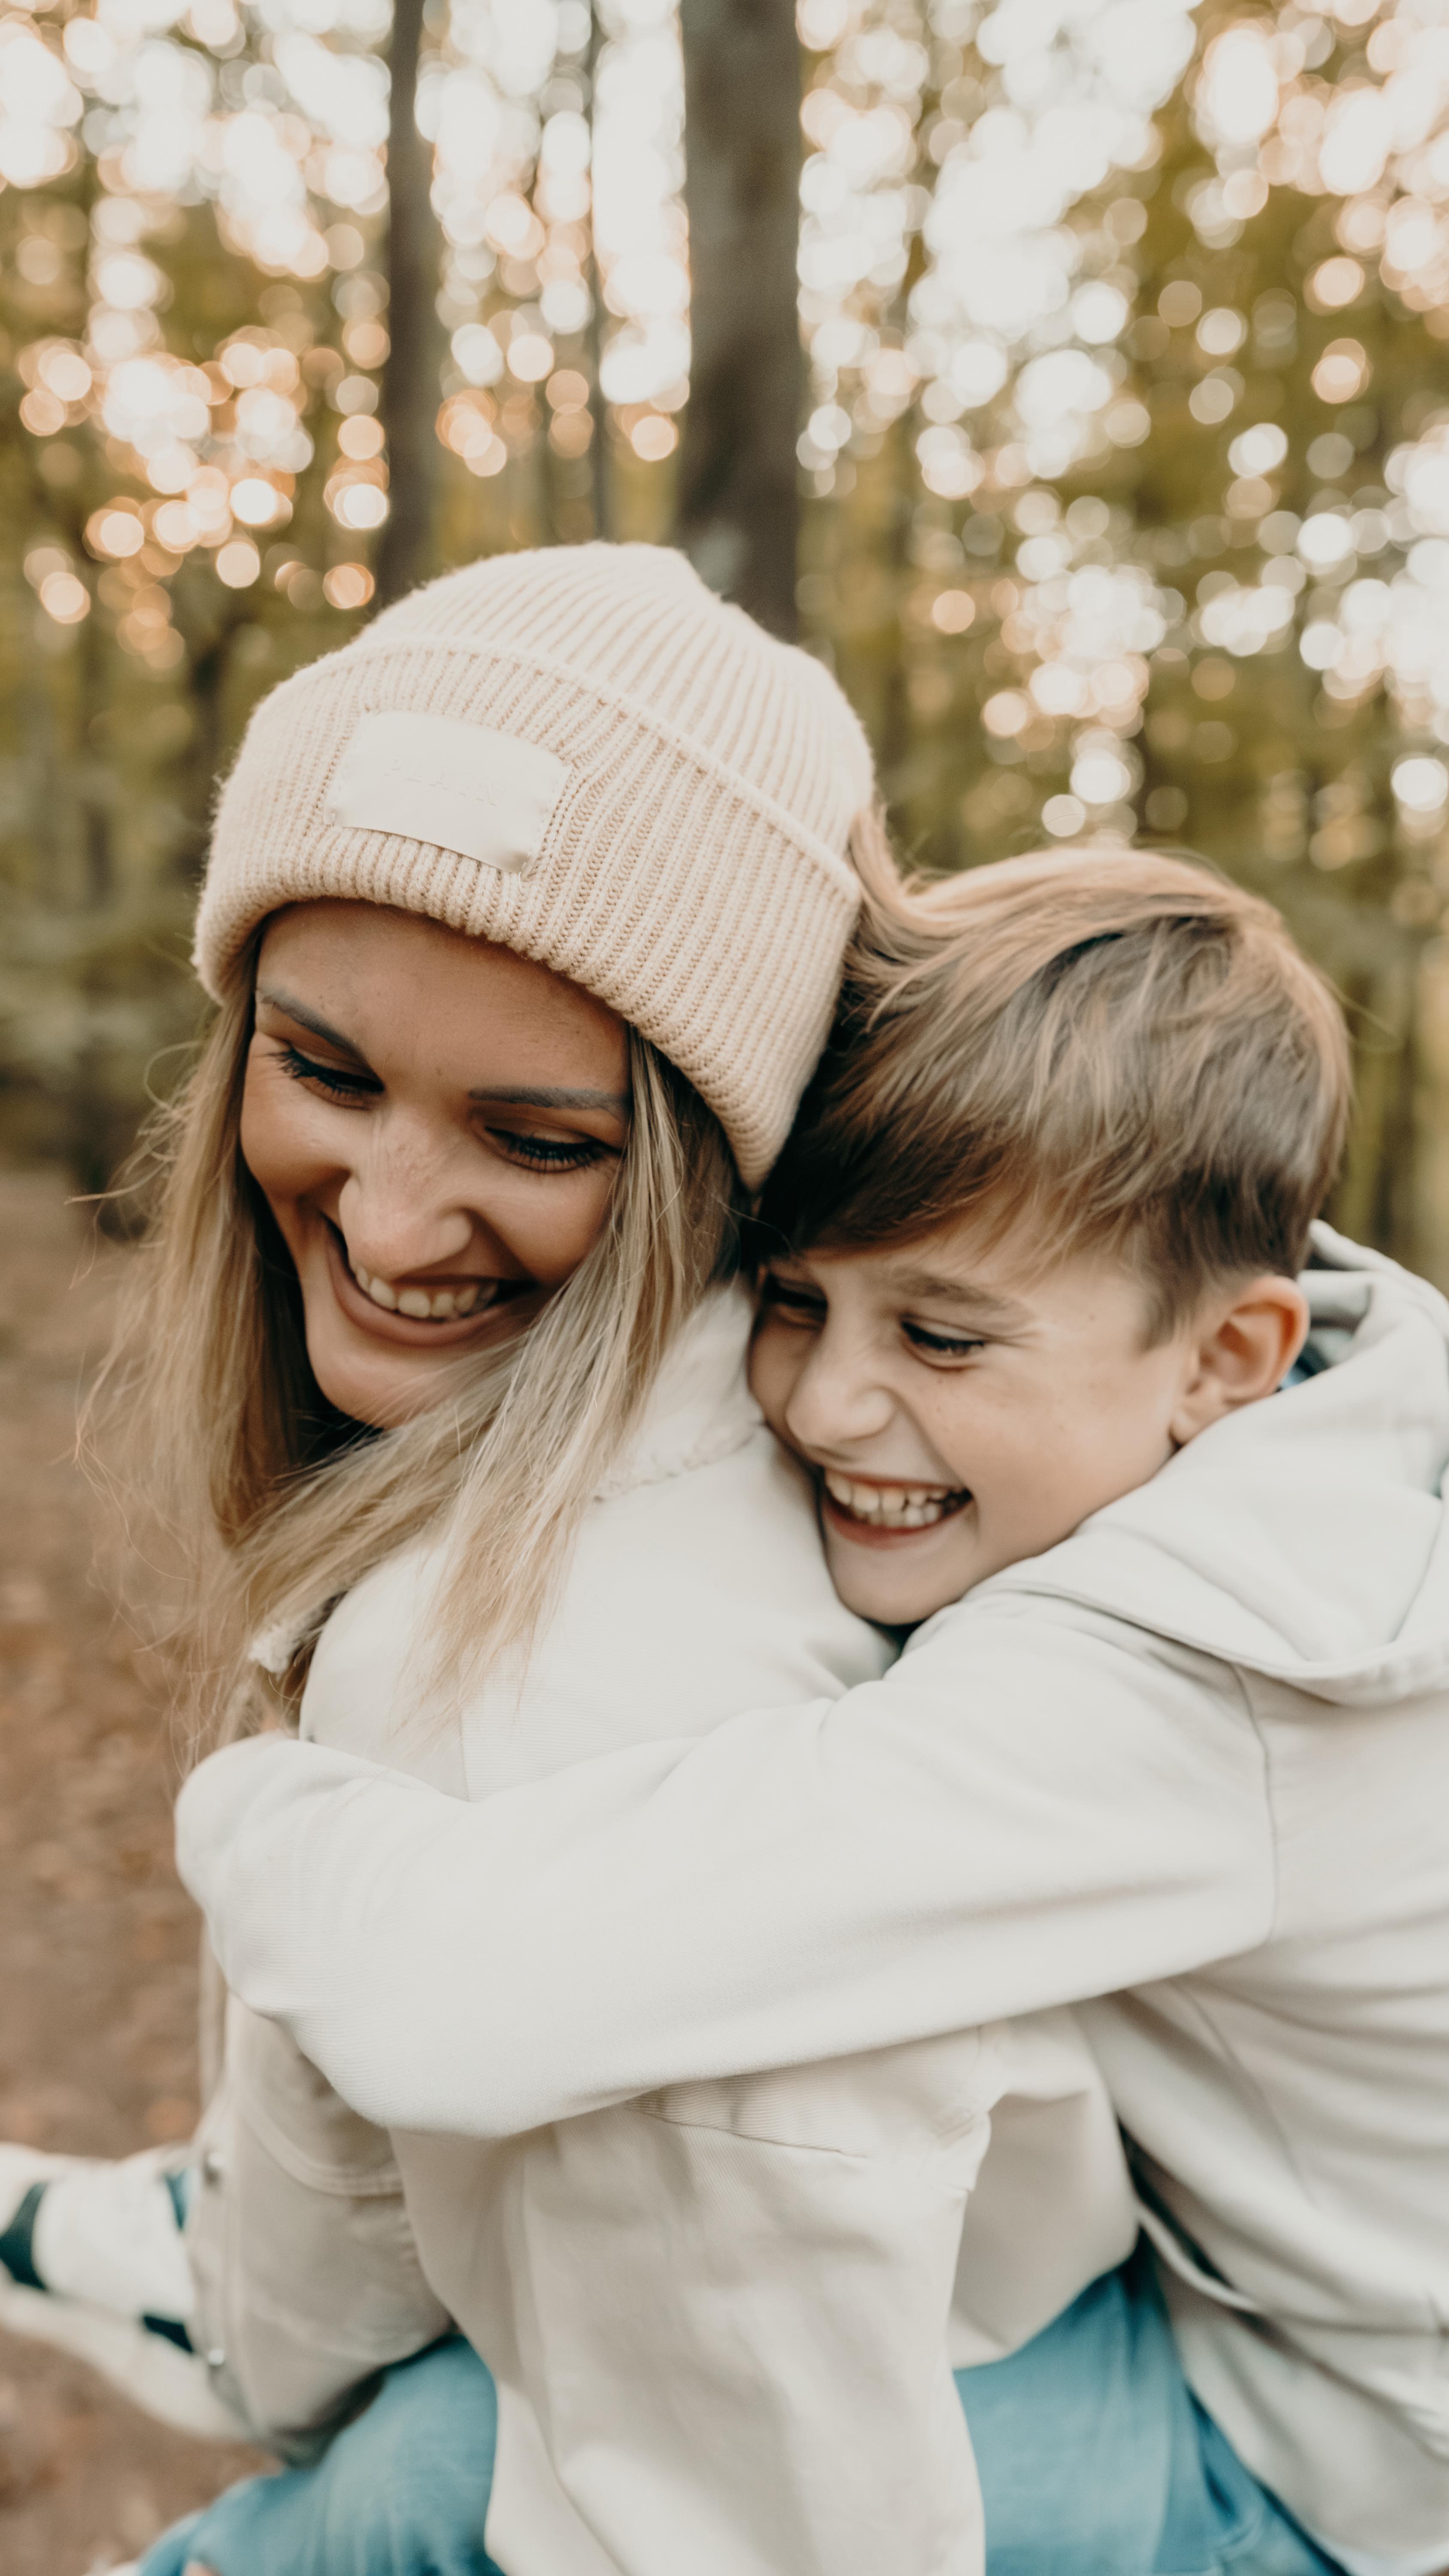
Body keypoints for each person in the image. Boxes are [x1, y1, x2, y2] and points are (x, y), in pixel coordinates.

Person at [1, 547, 1133, 2573]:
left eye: (539, 1140)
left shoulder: (537, 1679)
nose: (395, 1213)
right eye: (325, 1071)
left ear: (721, 1152)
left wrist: (291, 2407)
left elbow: (741, 2480)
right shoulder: (778, 1428)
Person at [177, 845, 1449, 2576]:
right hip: (1258, 2300)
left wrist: (254, 1798)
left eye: (939, 1338)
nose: (828, 1402)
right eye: (792, 1304)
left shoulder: (1209, 1673)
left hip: (1329, 2461)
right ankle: (149, 2239)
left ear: (1227, 1354)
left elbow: (461, 1999)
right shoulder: (1325, 1407)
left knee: (438, 2481)